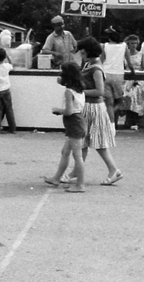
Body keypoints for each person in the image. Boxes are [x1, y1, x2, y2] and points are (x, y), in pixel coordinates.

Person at [68, 37, 123, 185]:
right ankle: (76, 171)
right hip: (88, 107)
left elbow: (100, 91)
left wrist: (80, 92)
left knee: (96, 143)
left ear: (86, 51)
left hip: (94, 108)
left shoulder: (96, 68)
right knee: (84, 142)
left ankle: (113, 169)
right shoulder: (89, 65)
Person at [44, 61, 86, 193]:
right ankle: (56, 178)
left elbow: (68, 111)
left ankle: (80, 184)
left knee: (77, 155)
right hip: (77, 121)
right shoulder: (79, 89)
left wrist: (58, 110)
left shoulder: (69, 92)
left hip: (73, 122)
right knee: (65, 152)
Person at [102, 26, 134, 130]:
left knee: (109, 103)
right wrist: (133, 72)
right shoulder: (124, 46)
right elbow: (129, 62)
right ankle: (110, 120)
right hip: (118, 75)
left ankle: (109, 123)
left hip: (106, 74)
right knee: (120, 101)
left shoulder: (105, 46)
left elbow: (101, 60)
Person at [123, 34, 144, 127]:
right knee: (127, 92)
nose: (134, 45)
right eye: (132, 43)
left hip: (138, 78)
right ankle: (128, 118)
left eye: (136, 43)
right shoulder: (125, 54)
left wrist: (137, 78)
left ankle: (134, 119)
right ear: (128, 43)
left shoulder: (141, 54)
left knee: (136, 91)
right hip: (127, 78)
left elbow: (143, 68)